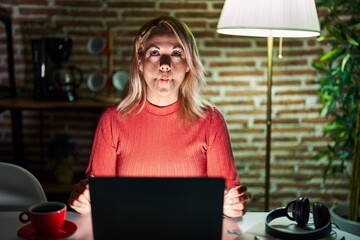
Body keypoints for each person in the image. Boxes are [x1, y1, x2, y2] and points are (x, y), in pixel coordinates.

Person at [68, 16, 250, 218]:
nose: (165, 64)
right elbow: (97, 198)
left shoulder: (211, 120)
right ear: (140, 62)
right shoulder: (112, 120)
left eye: (176, 53)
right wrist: (85, 201)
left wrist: (233, 205)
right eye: (154, 52)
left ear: (189, 64)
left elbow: (230, 200)